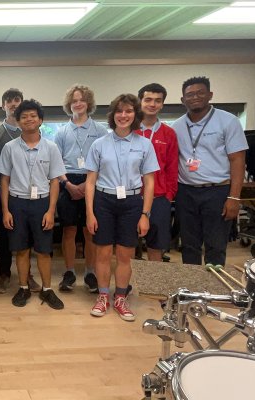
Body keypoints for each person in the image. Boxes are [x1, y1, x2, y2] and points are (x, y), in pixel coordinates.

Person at [85, 94, 159, 322]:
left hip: (131, 203)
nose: (123, 115)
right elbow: (90, 181)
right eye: (119, 111)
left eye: (128, 111)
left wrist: (145, 214)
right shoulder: (99, 144)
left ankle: (120, 298)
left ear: (135, 115)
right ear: (112, 115)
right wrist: (90, 212)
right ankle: (103, 296)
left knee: (125, 254)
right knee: (103, 253)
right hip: (104, 201)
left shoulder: (144, 144)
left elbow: (149, 182)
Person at [171, 76, 247, 266]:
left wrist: (234, 197)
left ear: (210, 95)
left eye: (200, 93)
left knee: (216, 244)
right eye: (190, 94)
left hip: (217, 191)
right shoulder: (176, 126)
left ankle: (214, 283)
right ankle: (193, 283)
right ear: (182, 100)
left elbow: (237, 160)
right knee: (189, 245)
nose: (195, 97)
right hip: (186, 191)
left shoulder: (228, 121)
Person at [0, 99, 66, 310]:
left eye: (33, 116)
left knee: (44, 250)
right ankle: (23, 287)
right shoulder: (9, 148)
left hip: (42, 203)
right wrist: (6, 210)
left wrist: (51, 211)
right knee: (21, 249)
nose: (28, 119)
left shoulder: (51, 147)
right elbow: (4, 180)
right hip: (17, 203)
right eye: (24, 117)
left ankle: (47, 289)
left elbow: (55, 181)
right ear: (18, 122)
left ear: (41, 120)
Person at [54, 84, 107, 293]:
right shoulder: (61, 132)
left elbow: (104, 162)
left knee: (89, 229)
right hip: (67, 181)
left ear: (89, 103)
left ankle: (90, 273)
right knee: (68, 229)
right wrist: (67, 184)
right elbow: (56, 163)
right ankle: (69, 272)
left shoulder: (100, 130)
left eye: (82, 100)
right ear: (69, 104)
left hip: (91, 179)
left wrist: (87, 185)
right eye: (74, 100)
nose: (78, 104)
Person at [0, 88, 41, 294]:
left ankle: (27, 275)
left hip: (28, 194)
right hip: (4, 193)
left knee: (27, 236)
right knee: (5, 236)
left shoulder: (30, 130)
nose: (13, 104)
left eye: (16, 100)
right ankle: (4, 275)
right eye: (9, 101)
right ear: (3, 106)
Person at [135, 83, 179, 262]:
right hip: (132, 196)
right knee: (128, 246)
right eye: (148, 100)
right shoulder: (129, 130)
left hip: (159, 198)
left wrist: (168, 195)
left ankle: (154, 280)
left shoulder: (169, 133)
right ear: (140, 102)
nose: (152, 104)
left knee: (155, 247)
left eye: (157, 101)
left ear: (162, 104)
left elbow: (172, 168)